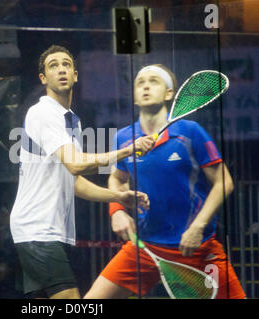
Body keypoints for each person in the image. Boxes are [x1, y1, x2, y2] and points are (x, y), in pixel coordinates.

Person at [84, 64, 246, 299]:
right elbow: (117, 180)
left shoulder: (190, 132)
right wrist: (117, 210)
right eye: (140, 82)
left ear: (169, 94)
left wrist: (198, 227)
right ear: (135, 96)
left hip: (195, 248)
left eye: (154, 81)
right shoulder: (123, 138)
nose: (146, 86)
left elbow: (224, 182)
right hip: (145, 247)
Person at [9, 45, 156, 299]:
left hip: (44, 231)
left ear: (75, 75)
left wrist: (118, 197)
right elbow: (76, 164)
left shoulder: (70, 121)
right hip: (38, 229)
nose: (61, 69)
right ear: (43, 78)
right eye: (53, 66)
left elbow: (74, 182)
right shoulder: (43, 112)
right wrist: (126, 151)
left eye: (66, 64)